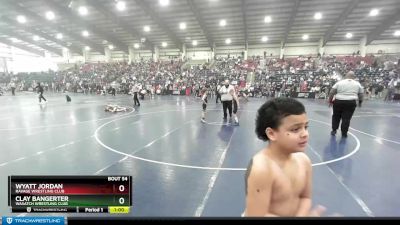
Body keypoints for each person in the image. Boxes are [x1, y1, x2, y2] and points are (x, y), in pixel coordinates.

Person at [244, 97, 325, 217]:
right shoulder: (262, 169)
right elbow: (256, 214)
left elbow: (305, 197)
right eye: (295, 129)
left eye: (305, 127)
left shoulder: (304, 161)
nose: (305, 134)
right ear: (272, 133)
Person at [328, 71, 363, 138]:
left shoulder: (339, 82)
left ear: (346, 75)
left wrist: (330, 101)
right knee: (346, 118)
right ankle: (344, 133)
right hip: (350, 102)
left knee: (336, 116)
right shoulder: (357, 84)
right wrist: (360, 102)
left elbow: (332, 92)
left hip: (338, 101)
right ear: (353, 77)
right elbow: (361, 94)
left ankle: (334, 130)